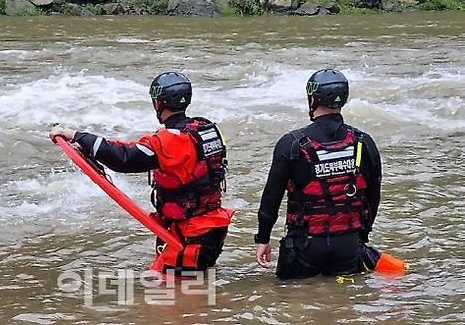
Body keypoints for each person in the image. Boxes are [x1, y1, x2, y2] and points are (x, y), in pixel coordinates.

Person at [50, 72, 234, 275]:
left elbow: (124, 158)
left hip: (188, 235)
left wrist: (76, 135)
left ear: (159, 103)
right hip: (210, 228)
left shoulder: (171, 140)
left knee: (177, 299)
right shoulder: (207, 128)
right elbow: (135, 151)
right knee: (195, 288)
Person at [254, 69, 382, 279]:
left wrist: (263, 239)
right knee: (343, 299)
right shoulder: (363, 142)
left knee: (292, 301)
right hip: (349, 245)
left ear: (312, 99)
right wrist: (362, 234)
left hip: (305, 245)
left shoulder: (291, 144)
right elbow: (374, 195)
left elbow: (271, 197)